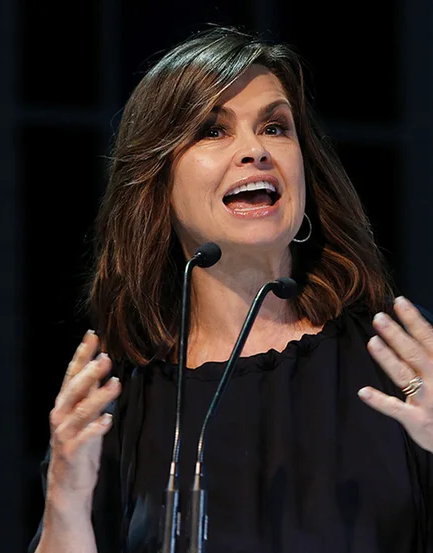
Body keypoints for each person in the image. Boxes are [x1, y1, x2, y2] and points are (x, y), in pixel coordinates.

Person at [30, 26, 433, 553]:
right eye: (213, 131)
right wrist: (65, 497)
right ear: (158, 182)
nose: (255, 151)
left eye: (275, 127)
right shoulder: (122, 398)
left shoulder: (400, 365)